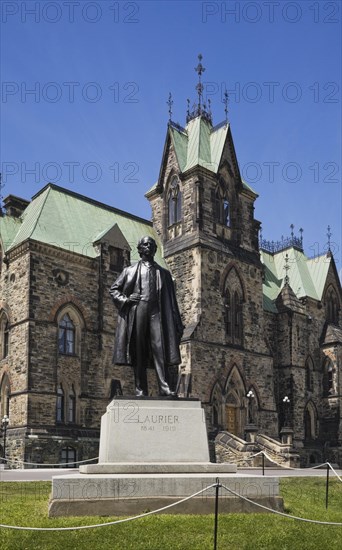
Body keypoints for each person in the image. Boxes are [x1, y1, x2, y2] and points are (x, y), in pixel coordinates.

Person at [110, 236, 184, 397]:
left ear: (155, 249)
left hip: (157, 312)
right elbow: (114, 290)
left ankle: (164, 387)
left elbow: (172, 302)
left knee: (160, 349)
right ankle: (140, 388)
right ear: (139, 249)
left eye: (151, 245)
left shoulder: (163, 273)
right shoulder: (129, 271)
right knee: (138, 351)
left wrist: (178, 322)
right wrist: (126, 300)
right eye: (145, 244)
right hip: (138, 310)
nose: (148, 246)